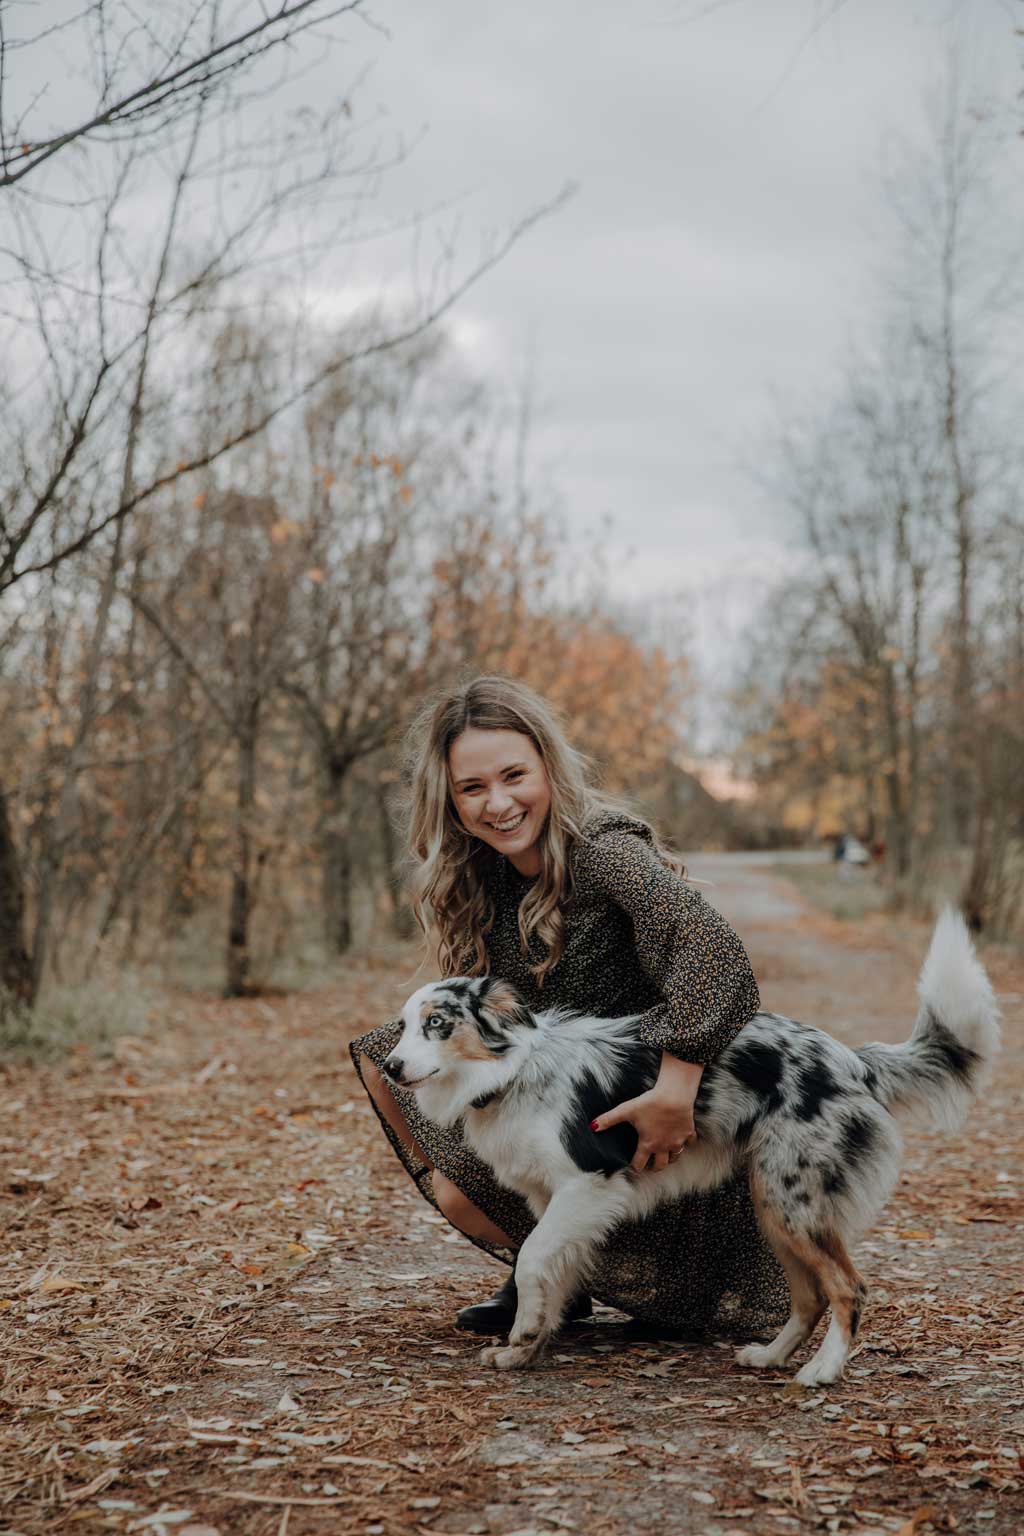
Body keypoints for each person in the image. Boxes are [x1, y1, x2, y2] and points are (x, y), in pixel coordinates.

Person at [350, 675, 788, 1338]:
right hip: (562, 1109)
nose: (497, 803)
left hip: (656, 1131)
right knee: (393, 1058)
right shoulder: (479, 874)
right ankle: (554, 1265)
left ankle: (598, 1258)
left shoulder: (606, 851)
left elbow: (712, 950)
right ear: (449, 798)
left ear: (548, 766)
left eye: (513, 775)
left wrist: (676, 1086)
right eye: (472, 788)